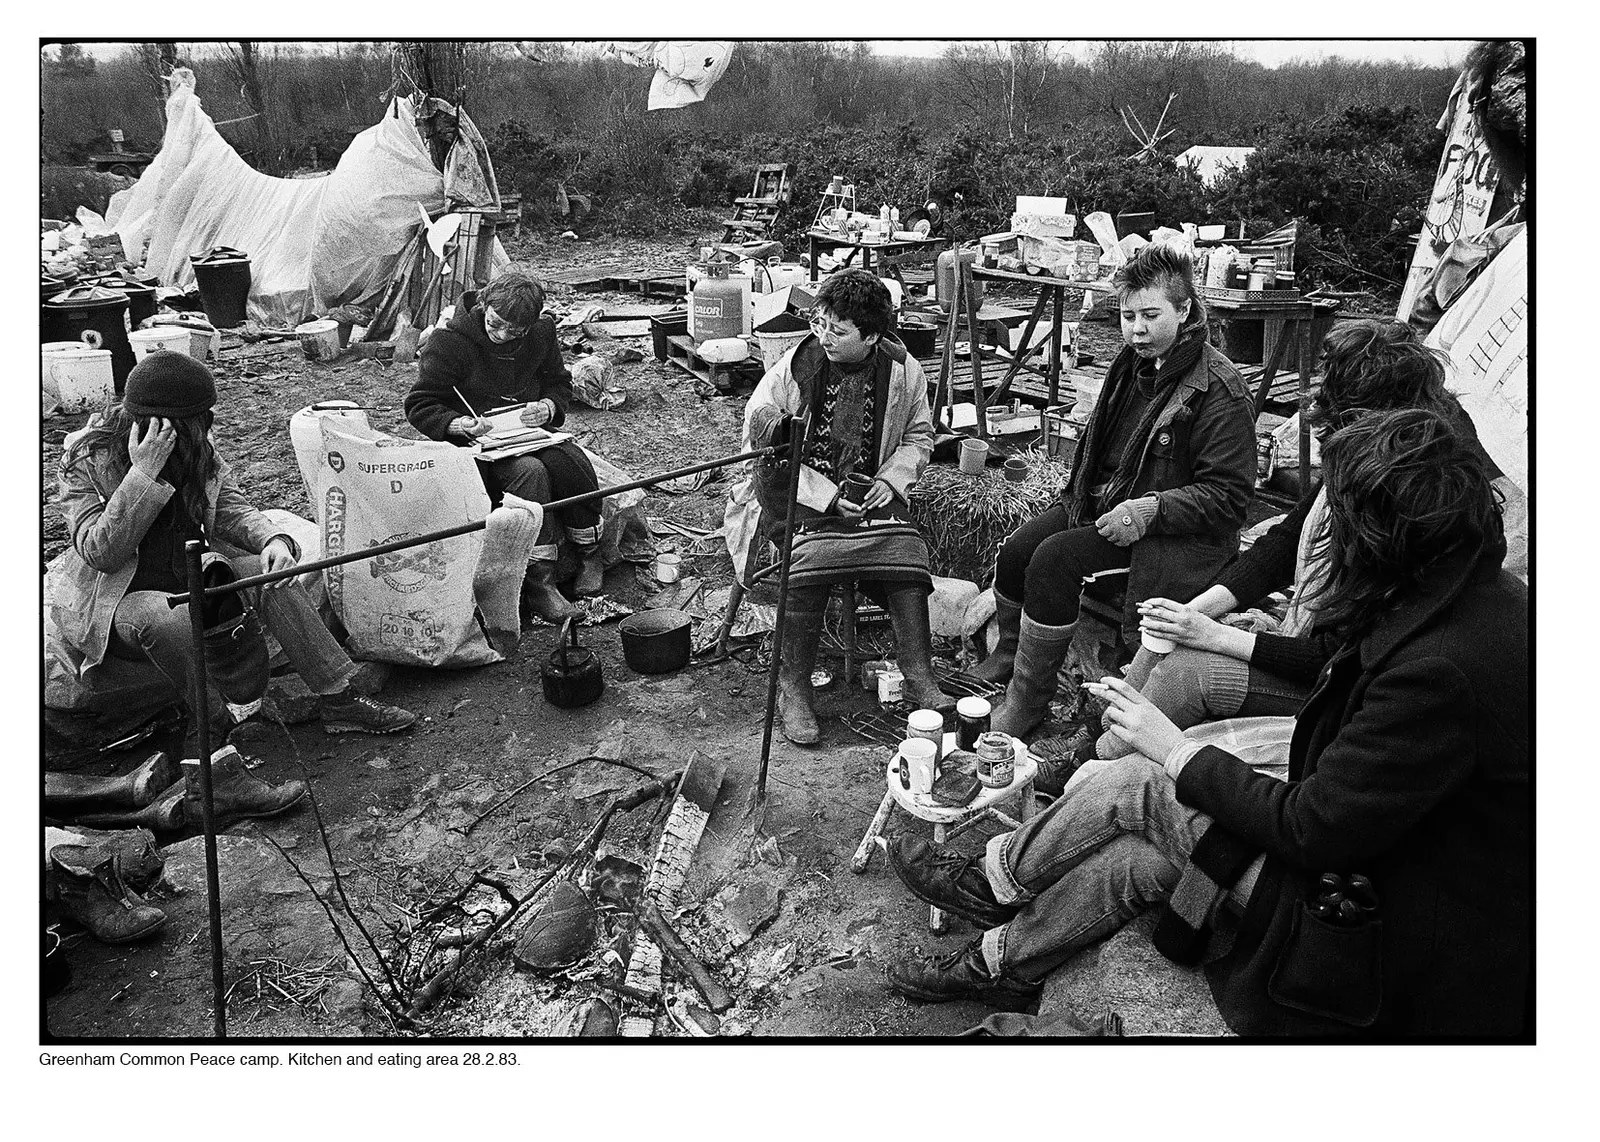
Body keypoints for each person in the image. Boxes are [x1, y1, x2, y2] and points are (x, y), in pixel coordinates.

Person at [885, 407, 1528, 1038]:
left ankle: (994, 879)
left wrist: (1176, 750)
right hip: (1385, 878)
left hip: (1382, 928)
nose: (1327, 544)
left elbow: (1312, 829)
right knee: (1142, 858)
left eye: (1340, 531)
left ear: (1381, 540)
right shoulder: (1464, 594)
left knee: (1142, 779)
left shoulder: (1440, 668)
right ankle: (1000, 963)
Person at [1072, 319, 1506, 771]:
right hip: (1320, 651)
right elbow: (1280, 546)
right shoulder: (1375, 461)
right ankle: (1100, 740)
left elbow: (1339, 654)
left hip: (1342, 686)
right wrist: (1195, 612)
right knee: (1169, 627)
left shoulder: (1401, 502)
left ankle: (1099, 763)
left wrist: (1214, 634)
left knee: (1184, 672)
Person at [969, 244, 1257, 745]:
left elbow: (1230, 498)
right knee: (1017, 550)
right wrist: (1080, 495)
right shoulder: (1131, 364)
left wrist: (1149, 510)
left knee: (1055, 559)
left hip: (1169, 536)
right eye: (1127, 316)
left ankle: (1026, 702)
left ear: (1185, 309)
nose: (1137, 329)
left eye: (1151, 315)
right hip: (1105, 502)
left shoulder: (1219, 390)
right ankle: (1009, 654)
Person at [49, 351, 416, 742]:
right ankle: (212, 729)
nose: (204, 428)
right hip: (121, 602)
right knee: (170, 617)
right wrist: (142, 474)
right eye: (196, 420)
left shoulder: (193, 445)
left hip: (191, 575)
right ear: (158, 423)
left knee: (272, 574)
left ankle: (339, 698)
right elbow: (99, 551)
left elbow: (231, 509)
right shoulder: (88, 461)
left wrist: (273, 539)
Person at [723, 269, 952, 745]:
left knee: (906, 556)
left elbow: (919, 436)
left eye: (838, 330)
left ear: (871, 336)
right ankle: (795, 687)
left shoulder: (904, 370)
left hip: (871, 494)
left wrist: (891, 480)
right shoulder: (794, 366)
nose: (822, 335)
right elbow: (760, 439)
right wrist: (826, 494)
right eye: (819, 322)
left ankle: (917, 672)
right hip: (798, 495)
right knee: (806, 565)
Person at [405, 270, 604, 625]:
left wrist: (547, 407)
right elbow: (421, 404)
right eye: (496, 324)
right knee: (530, 473)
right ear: (483, 306)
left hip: (527, 433)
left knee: (571, 461)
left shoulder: (541, 334)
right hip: (478, 446)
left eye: (515, 332)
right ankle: (539, 580)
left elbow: (558, 384)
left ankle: (589, 551)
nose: (501, 335)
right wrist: (457, 424)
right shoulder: (448, 343)